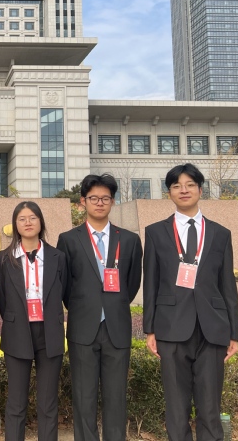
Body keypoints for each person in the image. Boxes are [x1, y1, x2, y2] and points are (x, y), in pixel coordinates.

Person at [143, 164, 238, 441]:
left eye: (189, 185)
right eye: (176, 186)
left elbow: (227, 285)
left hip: (212, 329)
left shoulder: (220, 233)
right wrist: (150, 329)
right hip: (171, 327)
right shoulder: (156, 232)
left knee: (210, 405)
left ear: (200, 189)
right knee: (176, 406)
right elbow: (151, 281)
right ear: (169, 193)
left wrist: (234, 332)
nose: (183, 190)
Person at [56, 174, 142, 441]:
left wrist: (112, 305)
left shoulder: (129, 240)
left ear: (113, 201)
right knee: (84, 397)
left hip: (117, 327)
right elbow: (64, 285)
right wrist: (86, 307)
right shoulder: (68, 239)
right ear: (83, 201)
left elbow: (132, 283)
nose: (100, 203)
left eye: (105, 198)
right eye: (93, 198)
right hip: (83, 327)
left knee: (116, 397)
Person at [0, 201, 67, 441]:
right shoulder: (4, 259)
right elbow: (2, 298)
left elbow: (64, 290)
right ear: (15, 224)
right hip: (18, 332)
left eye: (32, 218)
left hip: (50, 333)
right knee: (16, 402)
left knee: (48, 402)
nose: (28, 223)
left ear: (41, 222)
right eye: (22, 219)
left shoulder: (57, 256)